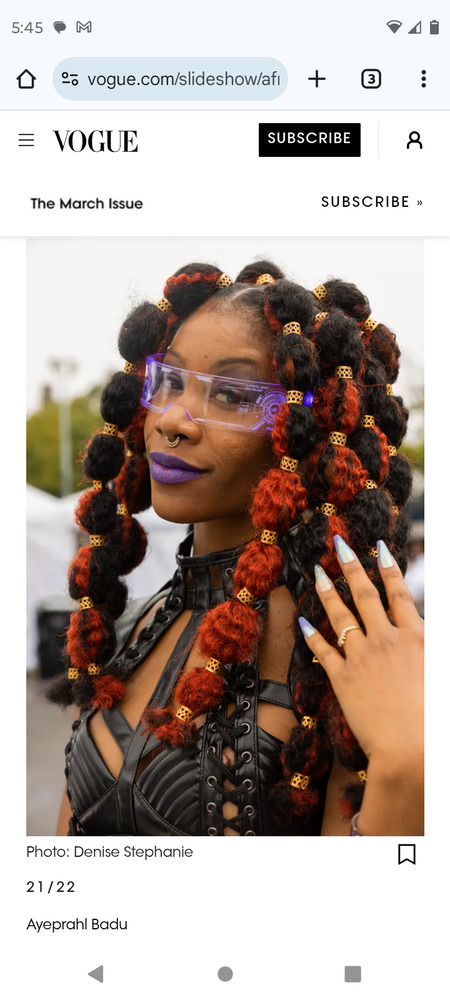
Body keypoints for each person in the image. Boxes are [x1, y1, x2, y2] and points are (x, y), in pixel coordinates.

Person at [52, 260, 423, 837]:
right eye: (170, 381)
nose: (173, 420)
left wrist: (408, 765)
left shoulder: (342, 651)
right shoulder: (125, 628)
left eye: (229, 393)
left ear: (303, 427)